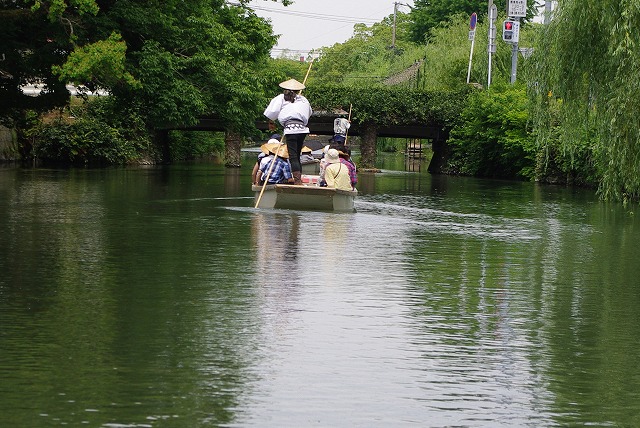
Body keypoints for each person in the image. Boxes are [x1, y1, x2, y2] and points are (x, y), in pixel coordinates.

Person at [263, 78, 313, 185]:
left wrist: (271, 122)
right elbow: (308, 114)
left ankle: (297, 181)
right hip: (302, 129)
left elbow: (272, 112)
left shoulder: (281, 98)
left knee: (293, 156)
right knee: (297, 155)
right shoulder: (304, 100)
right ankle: (298, 179)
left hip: (291, 129)